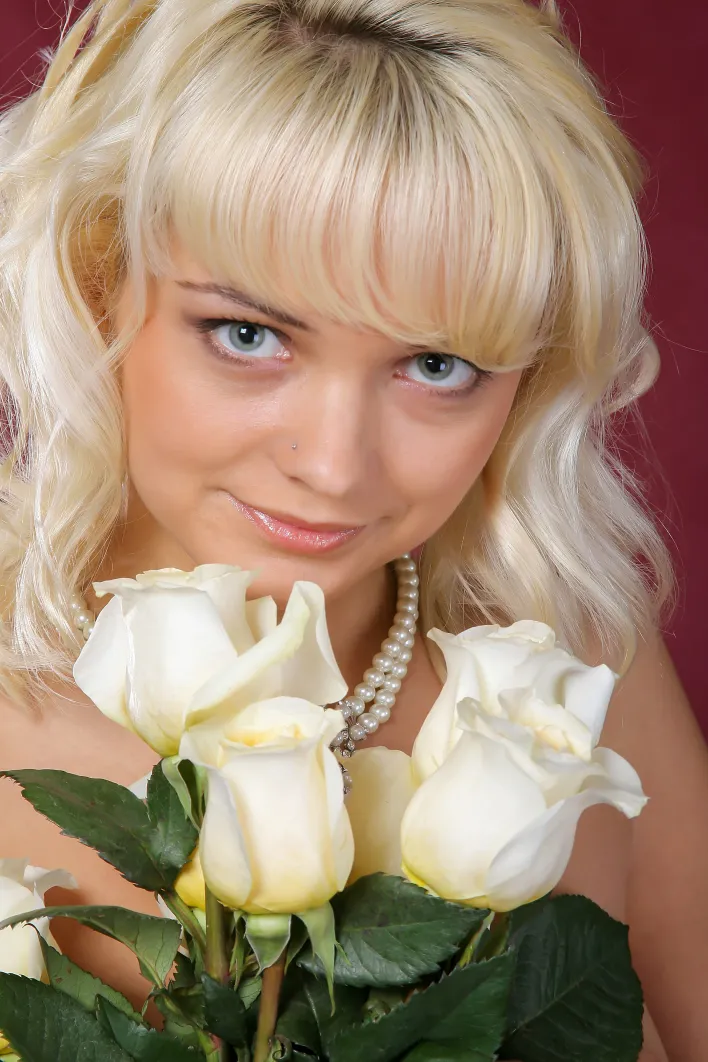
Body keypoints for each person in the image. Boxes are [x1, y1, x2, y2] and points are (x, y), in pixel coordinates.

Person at [0, 0, 705, 1057]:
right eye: (248, 335)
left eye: (436, 365)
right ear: (97, 281)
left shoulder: (570, 679)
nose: (334, 466)